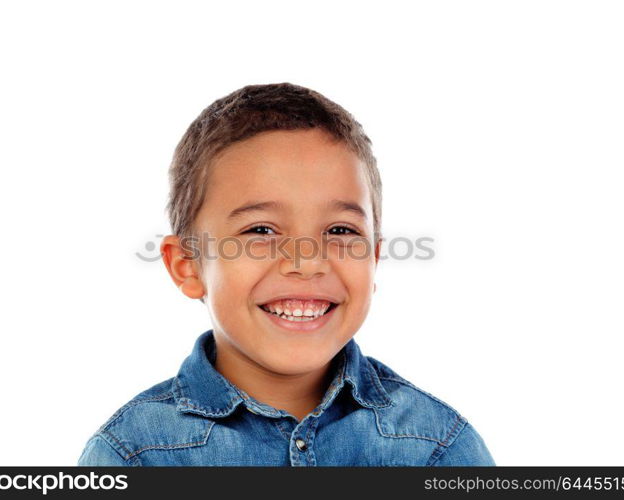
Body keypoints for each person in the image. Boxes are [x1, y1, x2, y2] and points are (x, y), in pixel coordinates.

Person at [77, 83, 495, 466]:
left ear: (374, 259)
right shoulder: (133, 456)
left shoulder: (438, 448)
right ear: (187, 265)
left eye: (340, 230)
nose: (307, 261)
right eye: (261, 230)